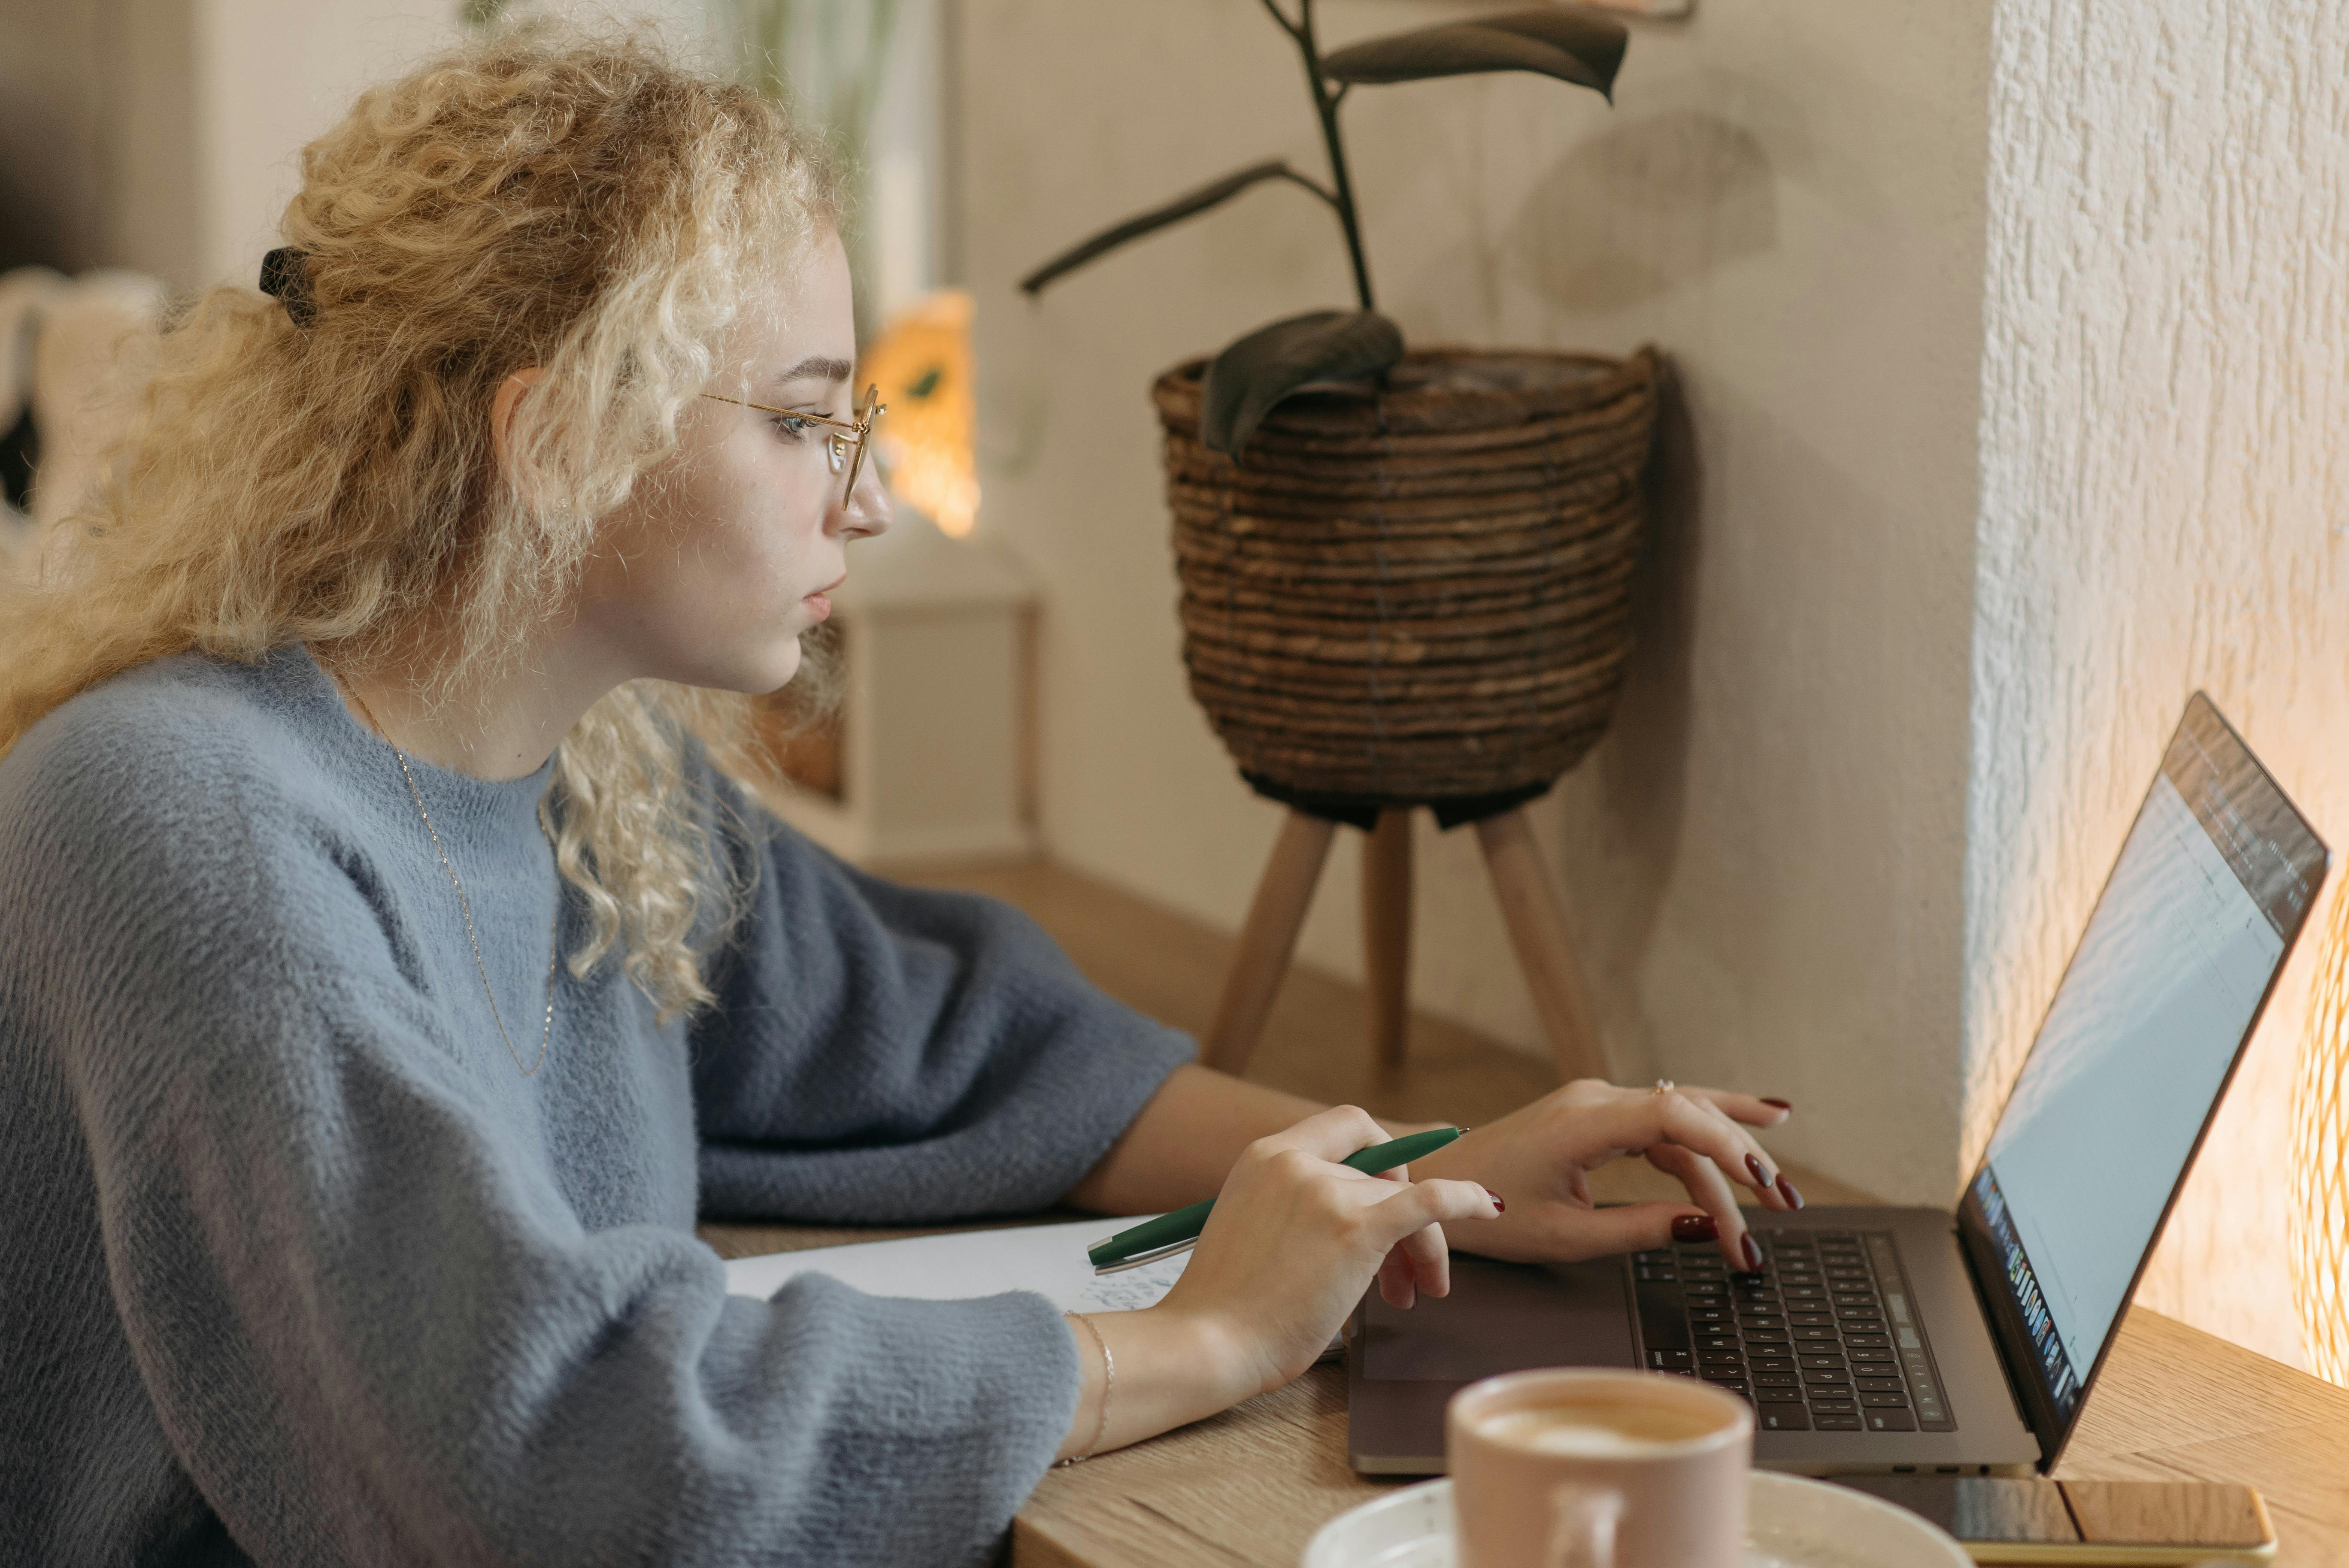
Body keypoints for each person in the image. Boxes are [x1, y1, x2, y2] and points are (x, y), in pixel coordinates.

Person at [0, 30, 1798, 1568]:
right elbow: (539, 1443)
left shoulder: (581, 771)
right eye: (800, 421)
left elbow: (957, 1042)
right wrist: (1198, 1335)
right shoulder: (183, 820)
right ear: (557, 436)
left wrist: (1414, 1180)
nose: (864, 499)